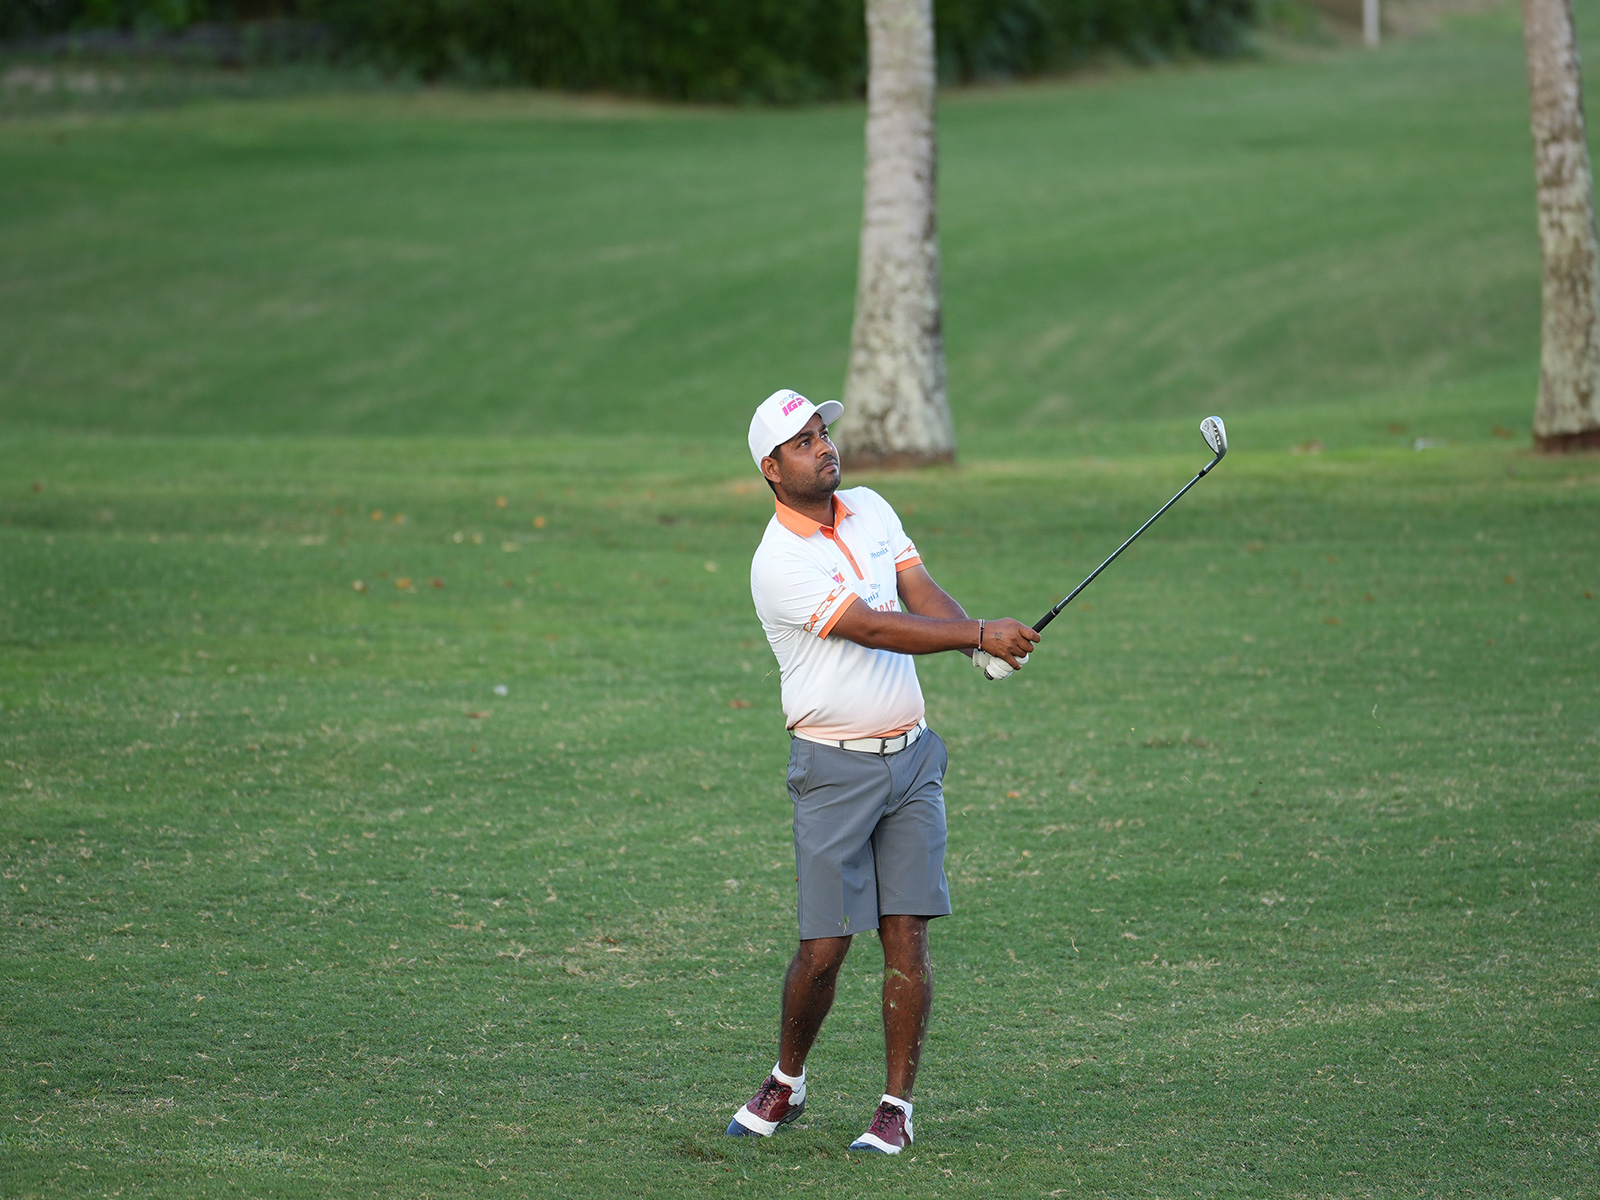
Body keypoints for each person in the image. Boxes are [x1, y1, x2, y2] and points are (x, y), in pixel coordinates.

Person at [726, 388, 1040, 1154]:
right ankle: (788, 1079)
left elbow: (916, 593)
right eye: (803, 442)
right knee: (824, 946)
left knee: (908, 940)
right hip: (832, 770)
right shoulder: (780, 562)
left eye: (824, 433)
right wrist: (975, 631)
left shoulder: (870, 506)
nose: (824, 447)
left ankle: (896, 1106)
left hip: (911, 760)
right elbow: (871, 626)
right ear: (771, 468)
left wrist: (975, 645)